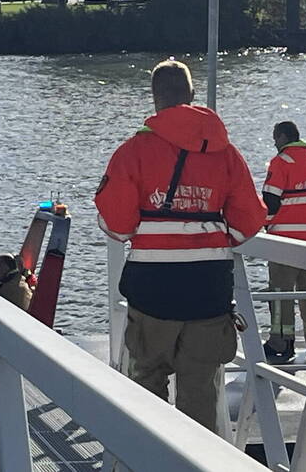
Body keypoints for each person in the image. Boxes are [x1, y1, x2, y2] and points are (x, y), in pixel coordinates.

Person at [95, 60, 266, 433]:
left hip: (153, 289)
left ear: (155, 98)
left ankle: (150, 459)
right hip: (208, 290)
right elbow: (251, 218)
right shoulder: (225, 153)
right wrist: (217, 238)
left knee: (146, 388)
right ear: (191, 95)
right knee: (200, 394)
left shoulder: (132, 152)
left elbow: (116, 226)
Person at [261, 121, 306, 365]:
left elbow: (270, 200)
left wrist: (266, 224)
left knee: (281, 294)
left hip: (284, 240)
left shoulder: (281, 162)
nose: (274, 143)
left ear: (283, 136)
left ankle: (281, 343)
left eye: (275, 137)